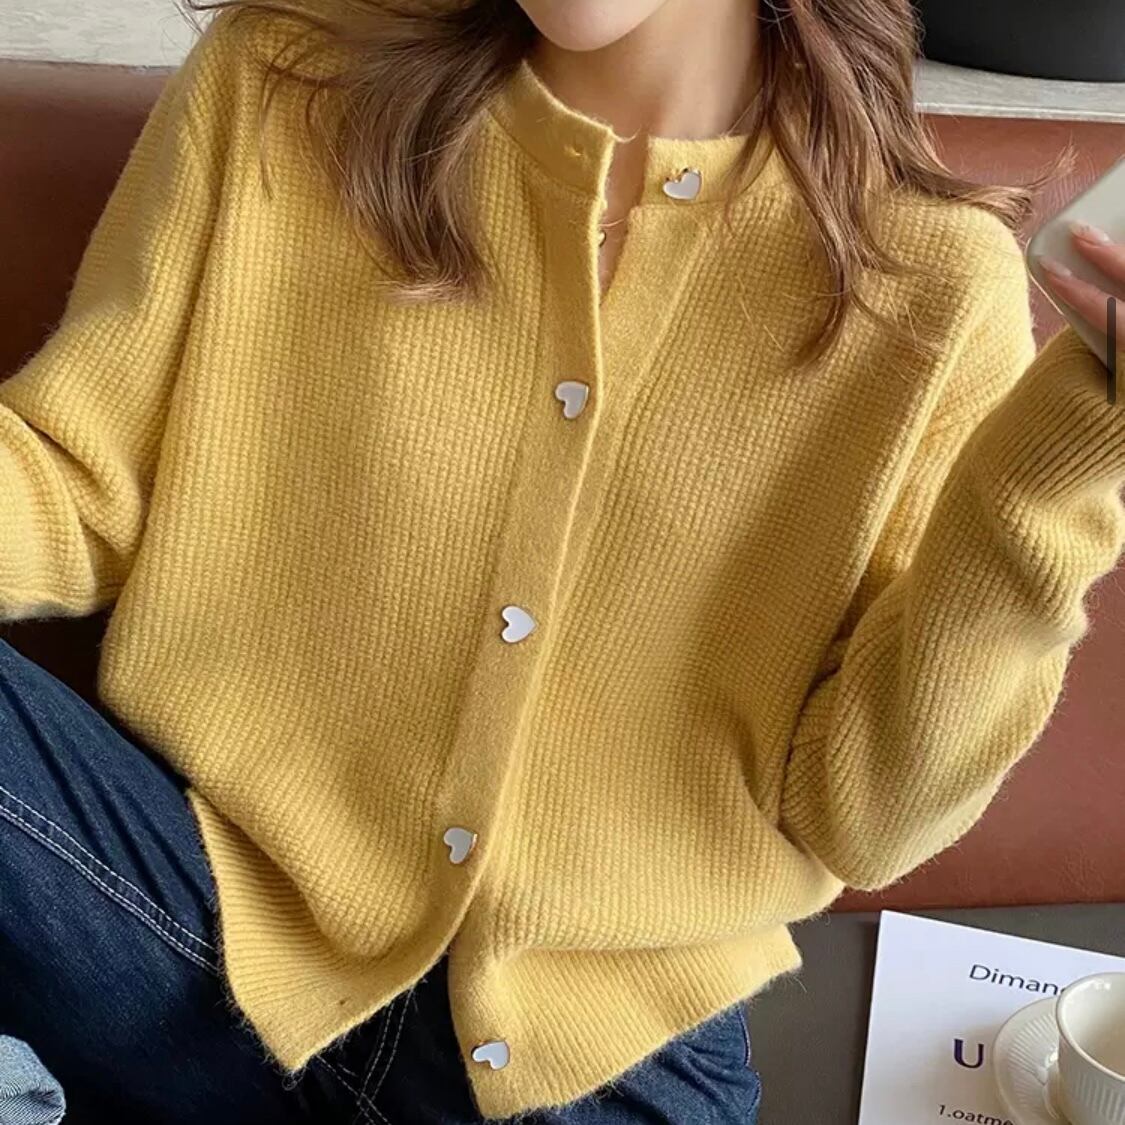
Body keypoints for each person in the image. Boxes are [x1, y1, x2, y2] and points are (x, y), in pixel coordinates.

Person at [0, 0, 1122, 1122]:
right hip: (179, 919)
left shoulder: (933, 280)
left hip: (604, 1065)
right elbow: (81, 485)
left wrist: (1053, 469)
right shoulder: (285, 81)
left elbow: (865, 817)